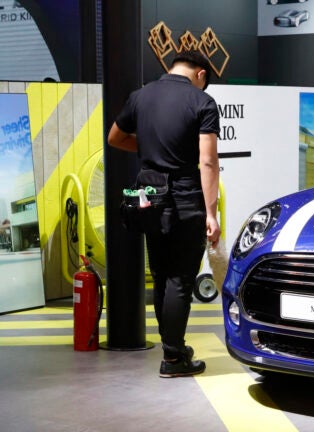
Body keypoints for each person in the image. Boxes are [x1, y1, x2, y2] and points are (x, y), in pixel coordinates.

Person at [107, 50, 221, 378]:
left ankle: (172, 348)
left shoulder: (140, 97)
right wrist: (211, 213)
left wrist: (148, 150)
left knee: (160, 275)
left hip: (150, 198)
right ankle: (173, 357)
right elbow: (208, 161)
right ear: (200, 74)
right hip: (184, 199)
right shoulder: (202, 102)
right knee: (180, 278)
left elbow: (115, 138)